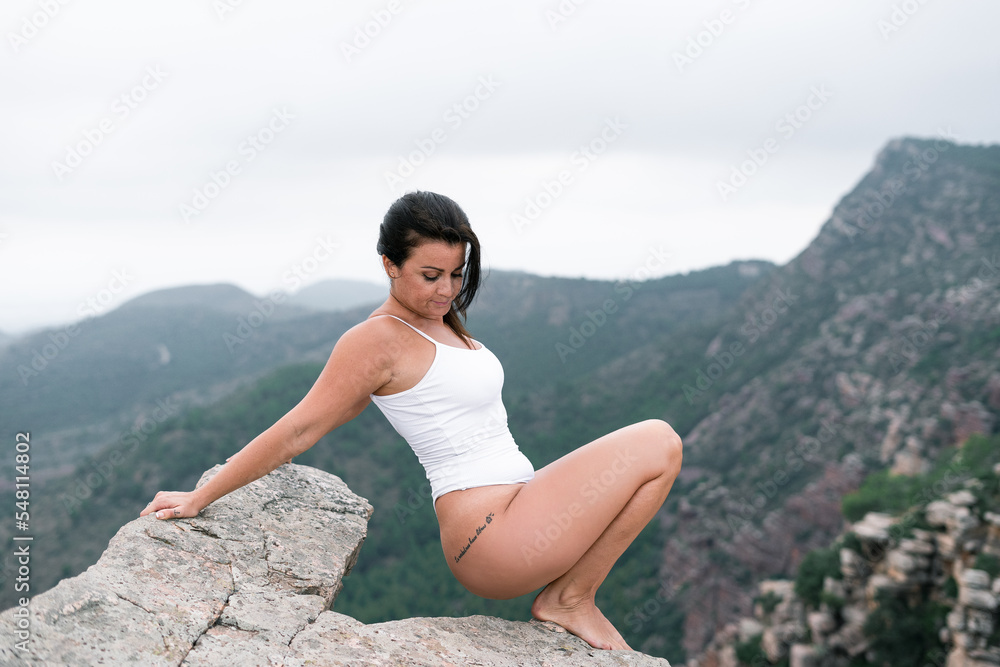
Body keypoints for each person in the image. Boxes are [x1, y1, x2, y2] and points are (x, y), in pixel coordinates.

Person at [141, 191, 683, 651]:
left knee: (656, 452)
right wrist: (199, 497)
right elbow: (300, 429)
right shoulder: (374, 341)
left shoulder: (442, 323)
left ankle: (573, 595)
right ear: (389, 264)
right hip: (487, 536)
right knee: (659, 440)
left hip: (521, 507)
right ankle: (569, 599)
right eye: (429, 275)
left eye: (455, 274)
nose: (446, 290)